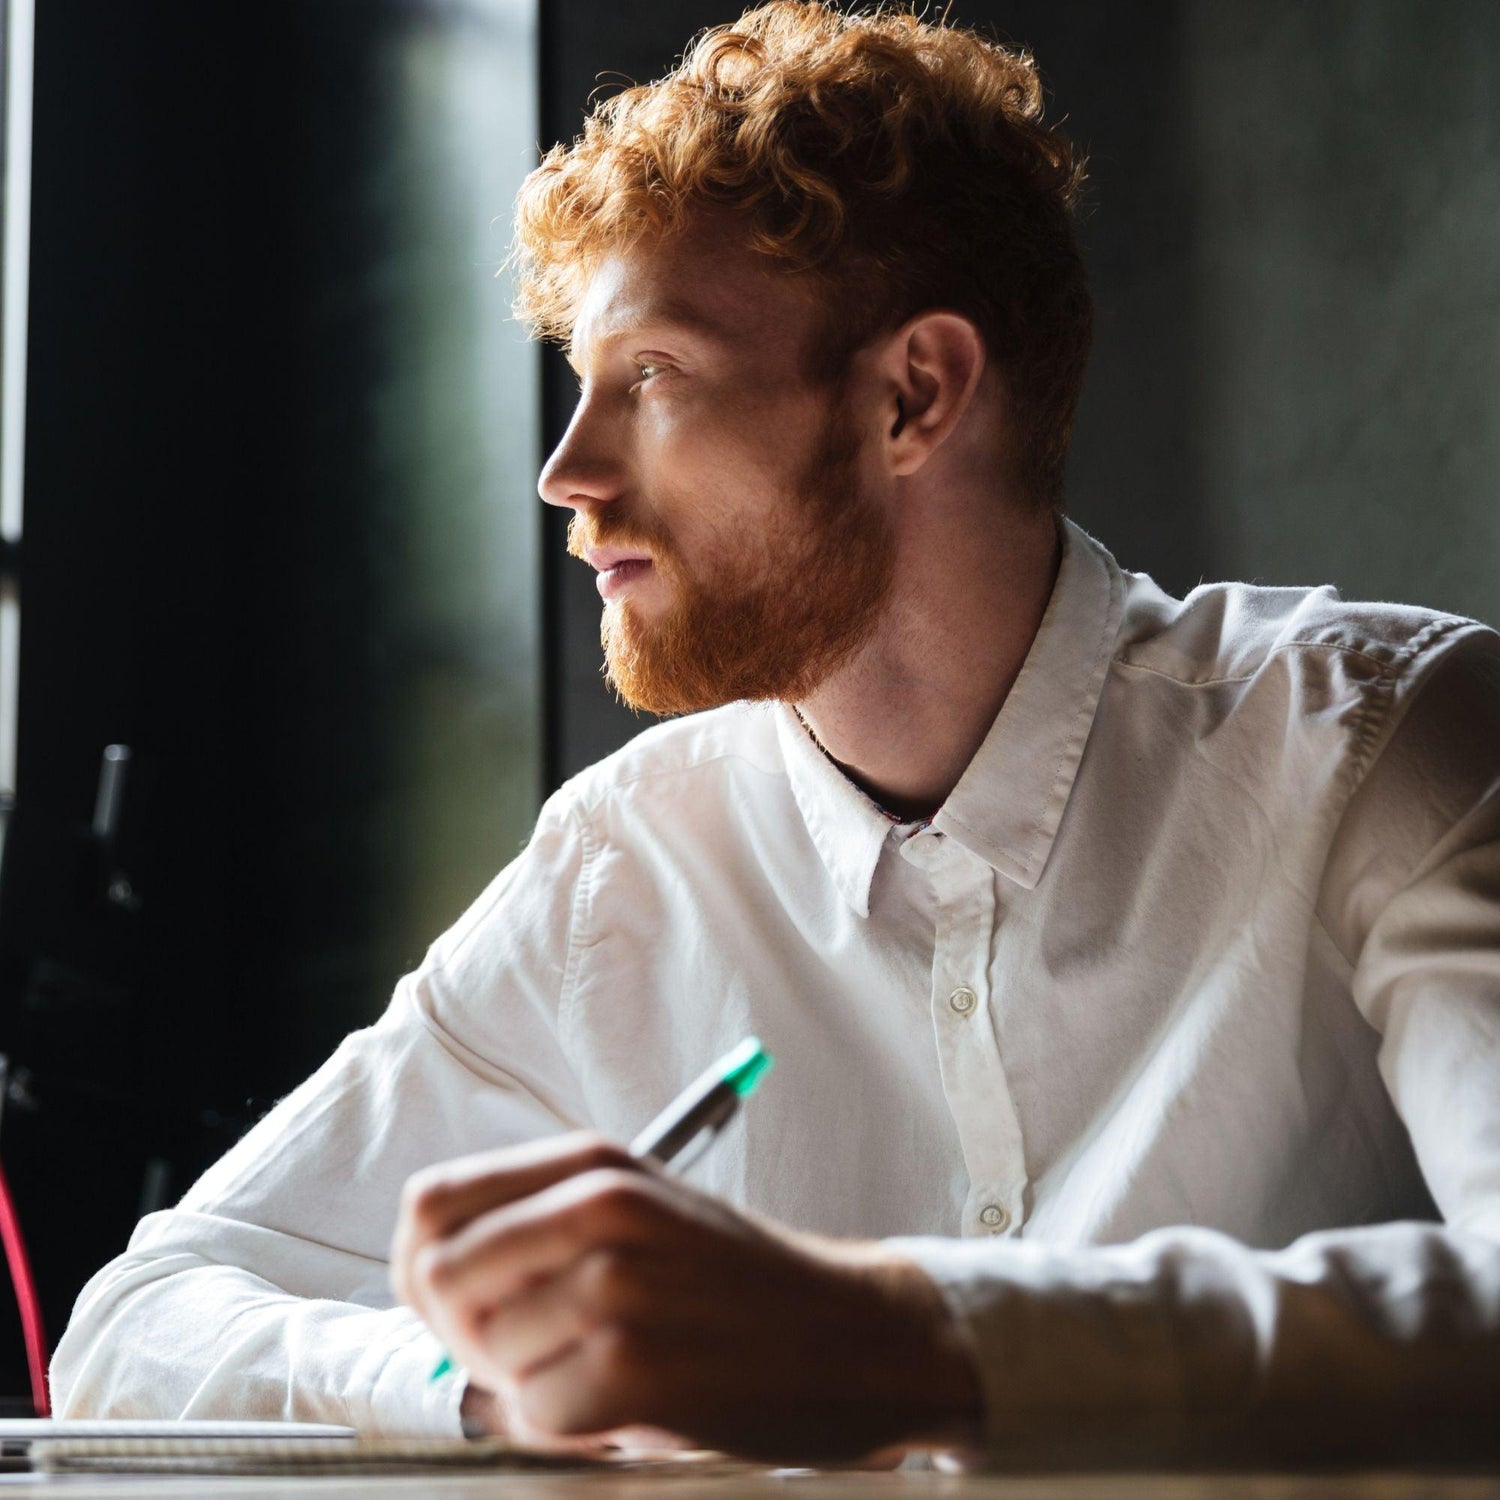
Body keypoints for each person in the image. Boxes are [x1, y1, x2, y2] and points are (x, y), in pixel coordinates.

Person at [51, 0, 1500, 1467]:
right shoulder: (621, 864)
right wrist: (484, 1382)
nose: (567, 472)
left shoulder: (1390, 745)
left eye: (654, 378)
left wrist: (906, 1343)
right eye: (575, 390)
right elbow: (135, 1324)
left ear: (913, 394)